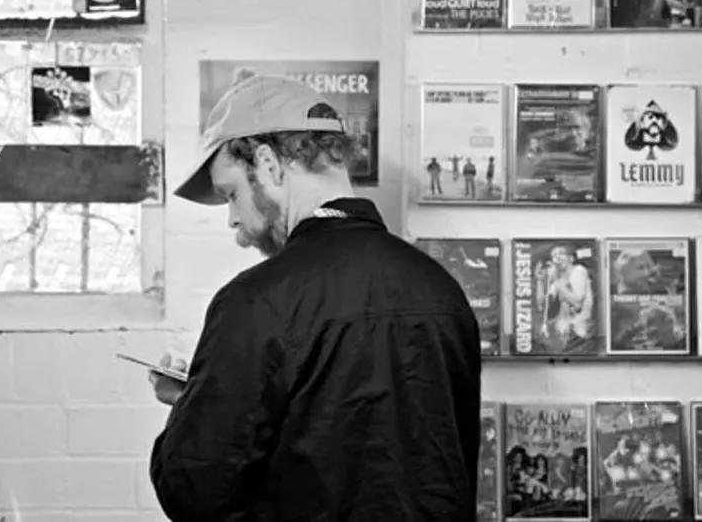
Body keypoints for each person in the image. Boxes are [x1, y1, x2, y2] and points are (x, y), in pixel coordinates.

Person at [148, 72, 482, 520]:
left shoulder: (256, 302)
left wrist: (190, 403)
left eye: (231, 194)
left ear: (267, 163)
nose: (233, 220)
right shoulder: (442, 290)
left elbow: (191, 490)